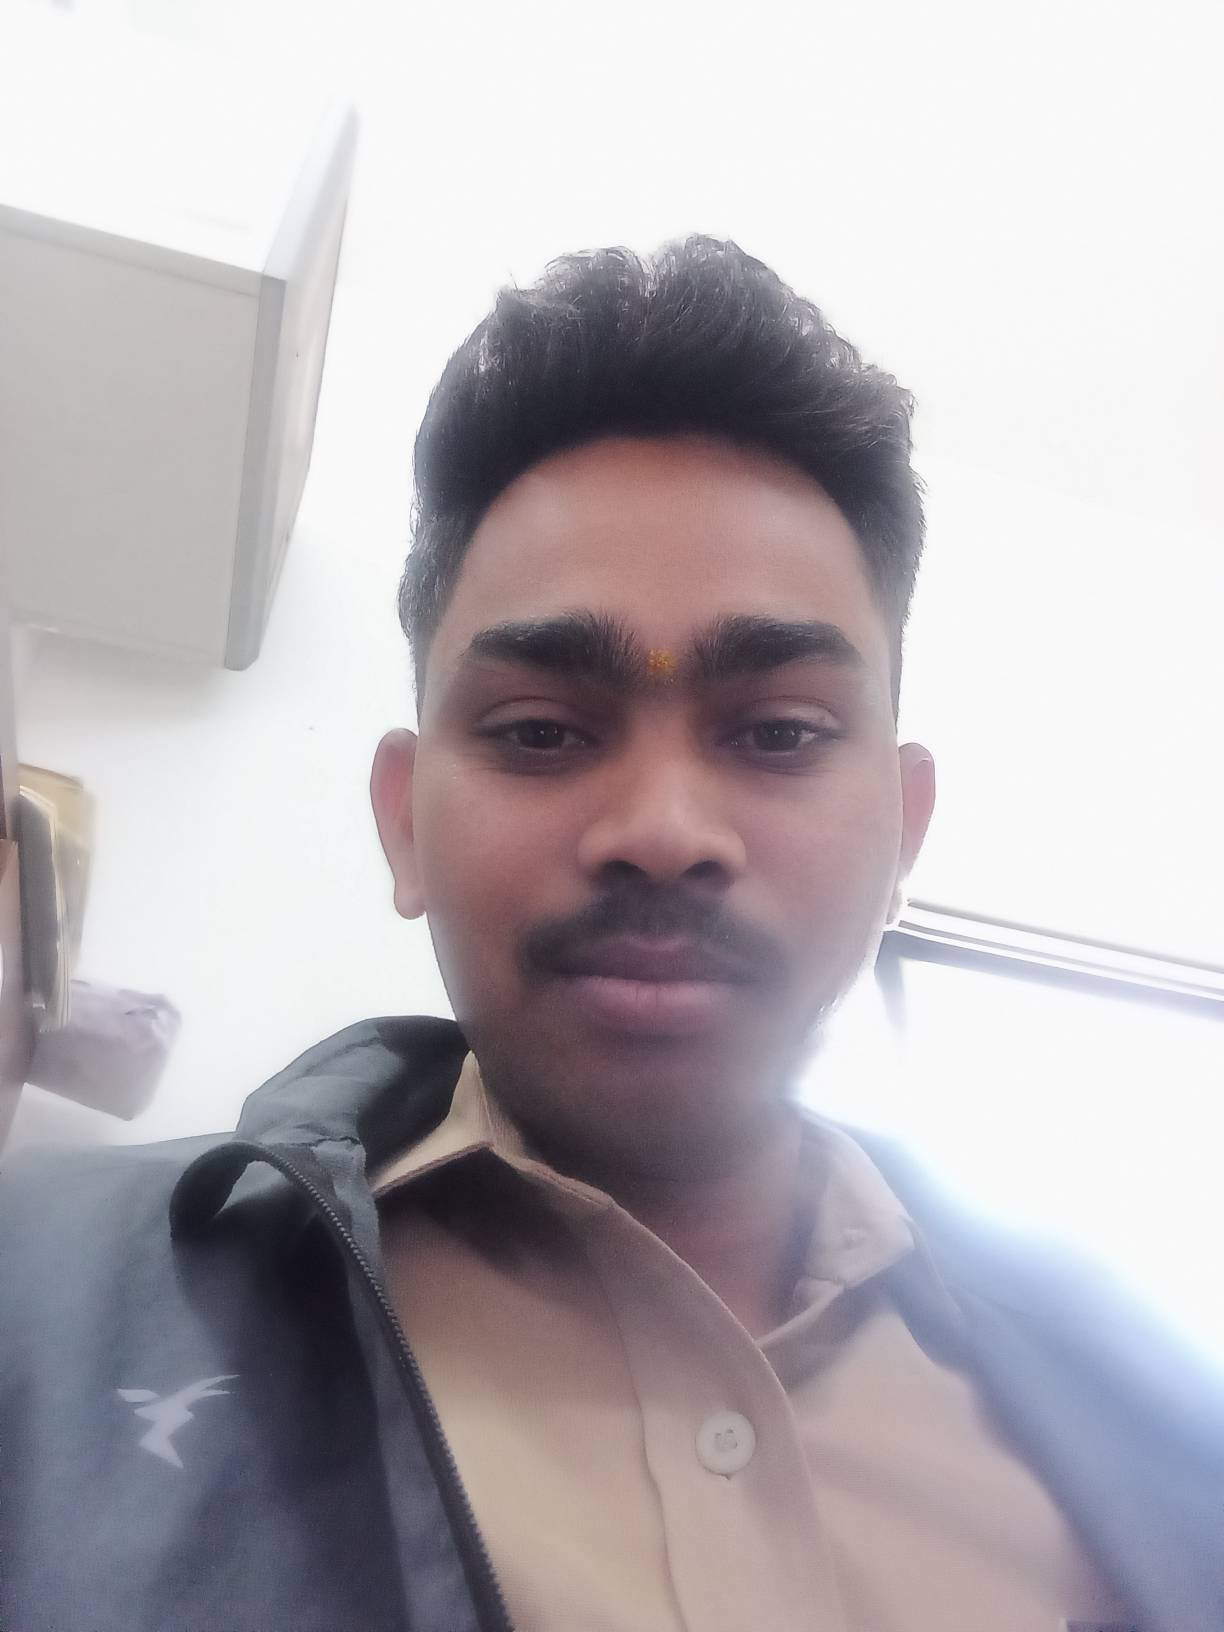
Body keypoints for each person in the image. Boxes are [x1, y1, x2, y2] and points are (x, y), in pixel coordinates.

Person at [1, 237, 1220, 1632]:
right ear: (403, 821)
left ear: (905, 826)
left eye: (779, 732)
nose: (663, 829)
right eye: (540, 731)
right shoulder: (35, 1303)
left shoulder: (1156, 1417)